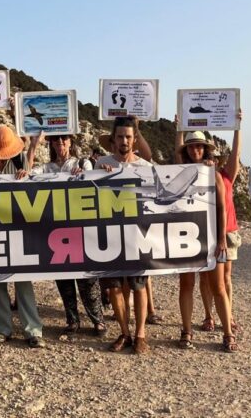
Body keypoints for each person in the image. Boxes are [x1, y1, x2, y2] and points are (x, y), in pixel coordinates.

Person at [28, 133, 105, 337]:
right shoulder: (46, 168)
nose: (60, 142)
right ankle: (72, 319)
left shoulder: (83, 163)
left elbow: (97, 180)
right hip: (56, 230)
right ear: (51, 143)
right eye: (56, 139)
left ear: (71, 141)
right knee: (63, 279)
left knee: (88, 279)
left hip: (81, 228)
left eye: (64, 138)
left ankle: (98, 320)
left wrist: (85, 176)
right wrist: (33, 146)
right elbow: (27, 174)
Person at [0, 126, 45, 348]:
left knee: (23, 278)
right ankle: (2, 328)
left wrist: (26, 176)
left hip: (18, 225)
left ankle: (32, 330)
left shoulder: (20, 157)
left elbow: (29, 189)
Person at [178, 110, 243, 341]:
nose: (196, 150)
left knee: (223, 281)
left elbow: (235, 156)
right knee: (203, 281)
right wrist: (180, 128)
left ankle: (227, 323)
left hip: (223, 232)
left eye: (200, 147)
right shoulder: (184, 172)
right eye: (191, 146)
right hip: (194, 234)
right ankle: (207, 317)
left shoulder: (221, 174)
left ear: (206, 150)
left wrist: (237, 127)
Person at [94, 116, 153, 354]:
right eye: (120, 136)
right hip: (110, 236)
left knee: (139, 285)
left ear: (134, 139)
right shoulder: (101, 164)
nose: (124, 141)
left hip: (137, 235)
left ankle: (140, 334)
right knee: (115, 288)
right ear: (113, 139)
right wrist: (100, 176)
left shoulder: (146, 168)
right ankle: (124, 333)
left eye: (128, 136)